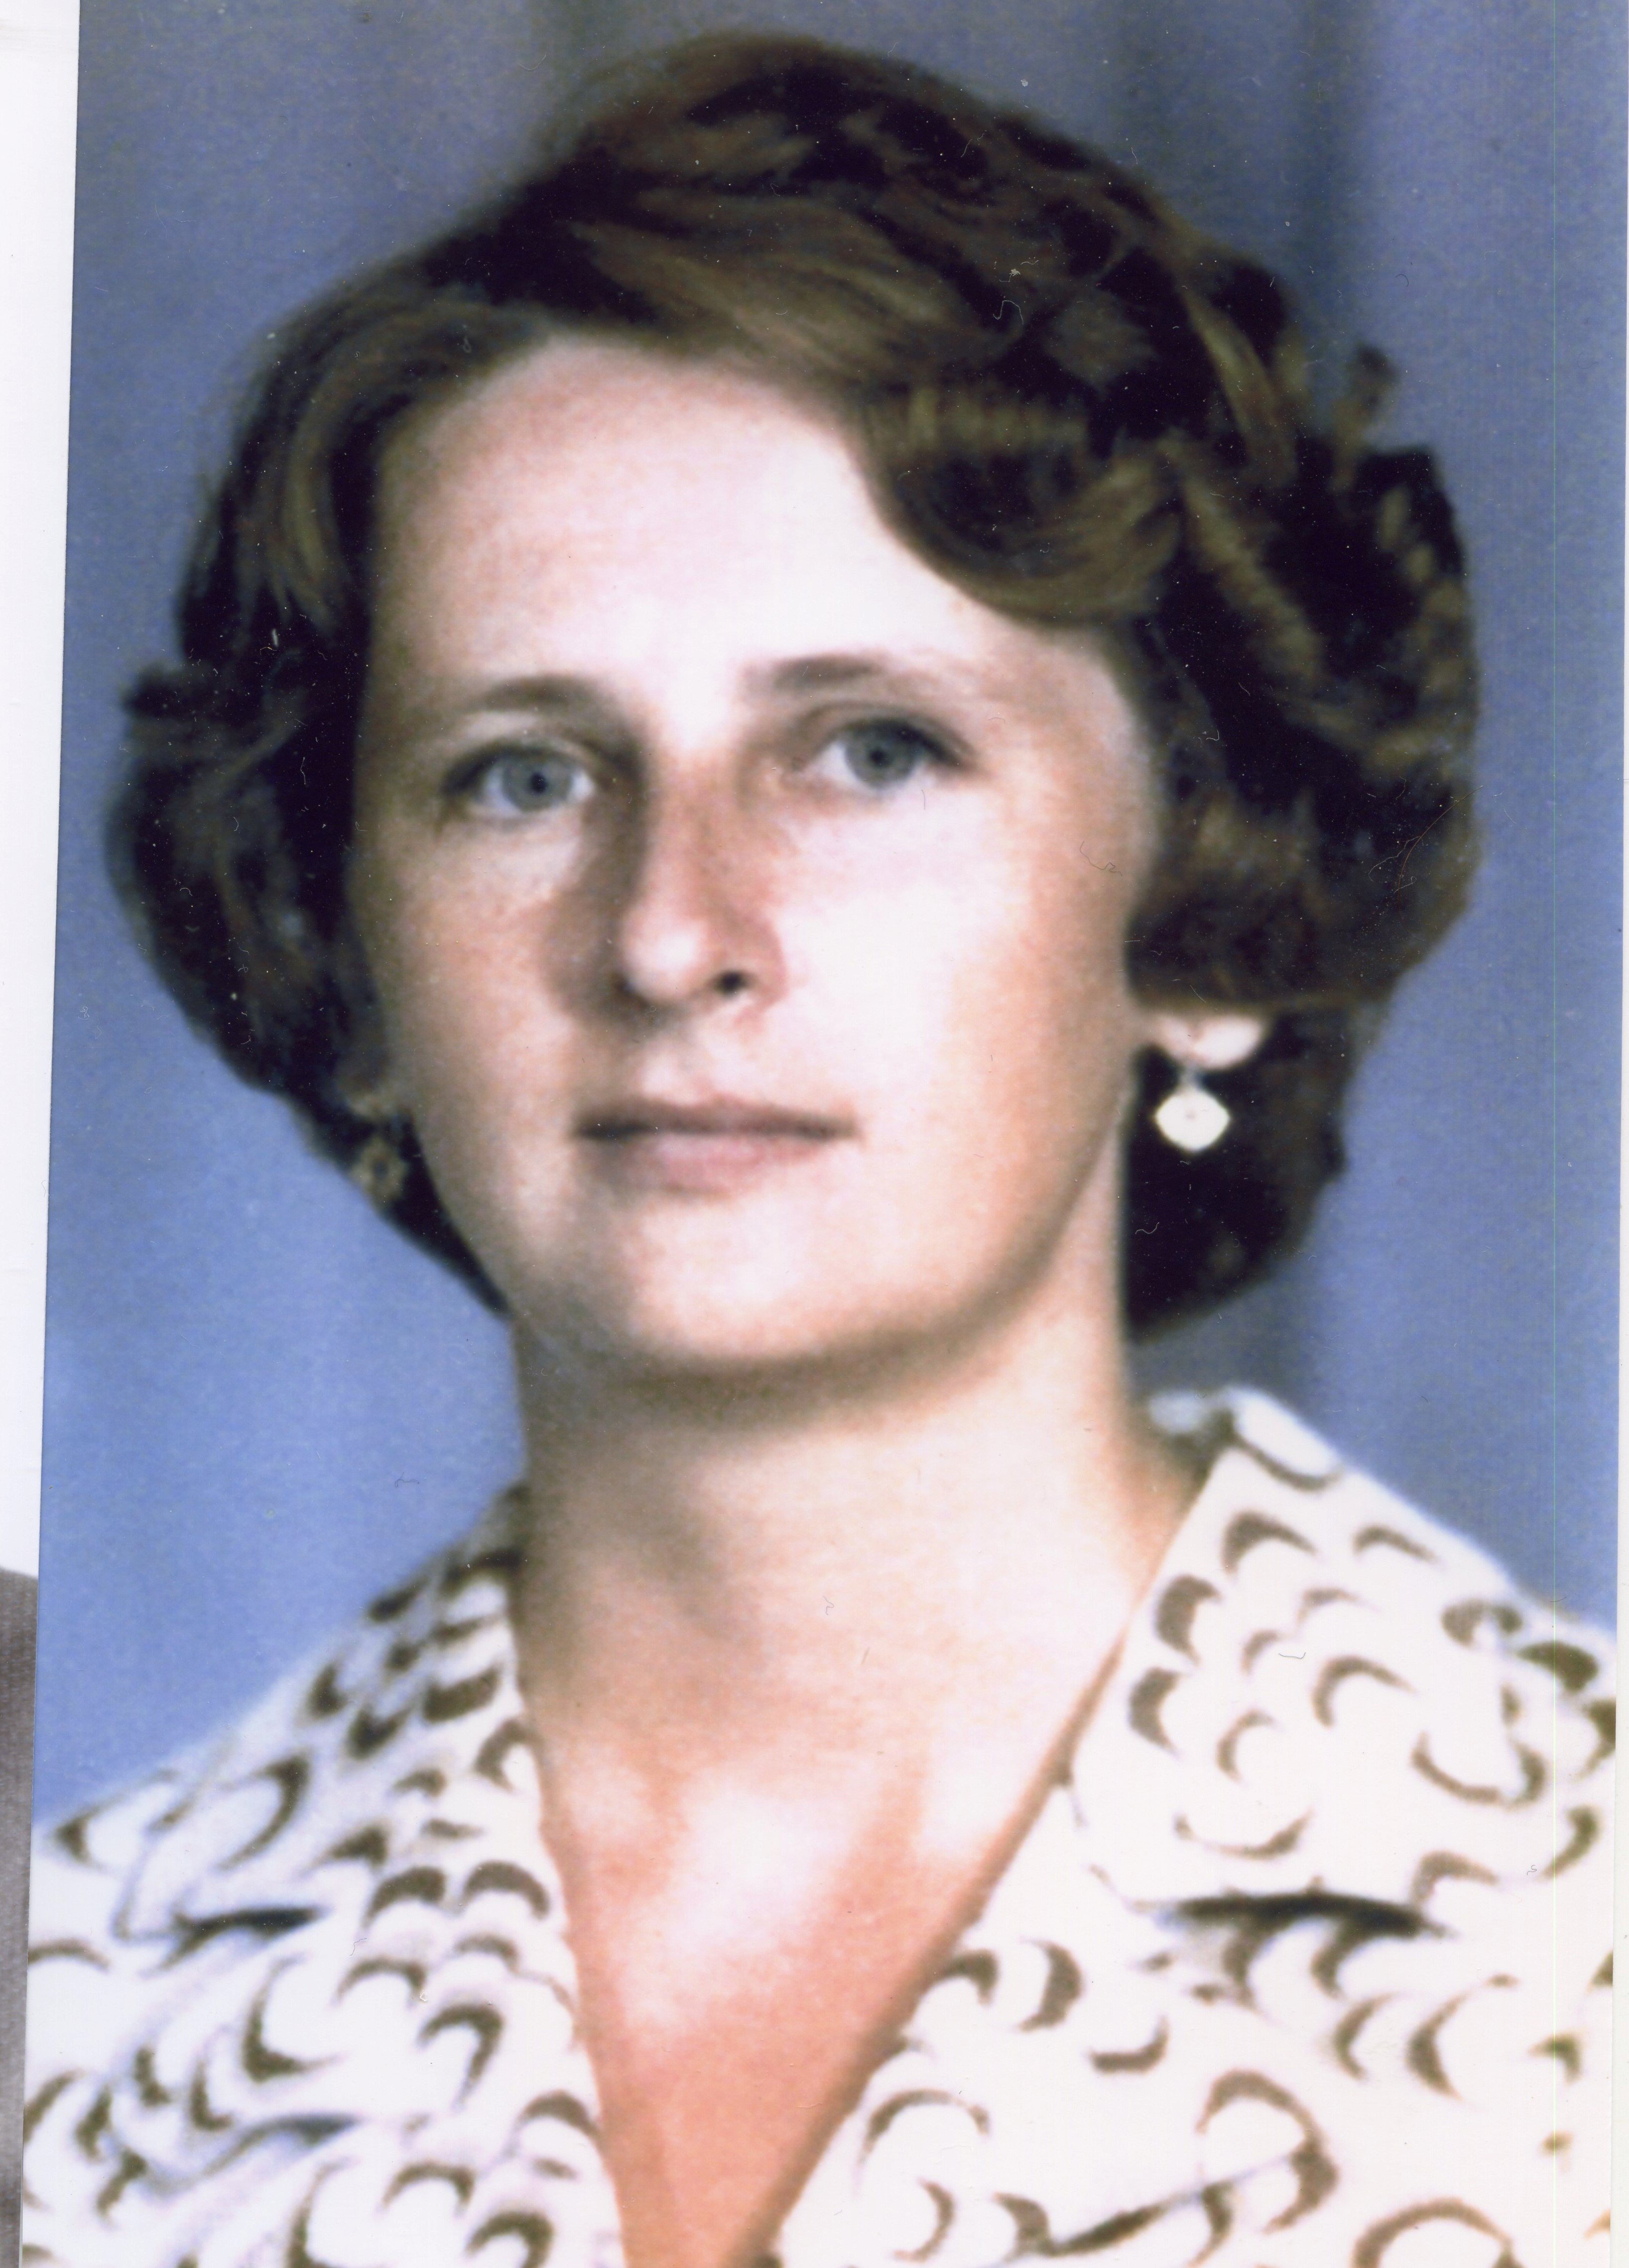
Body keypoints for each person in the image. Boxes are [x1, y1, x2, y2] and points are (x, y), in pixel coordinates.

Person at [24, 34, 1610, 2268]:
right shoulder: (81, 2002)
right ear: (356, 964)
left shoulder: (1574, 1897)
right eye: (520, 775)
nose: (671, 932)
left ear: (1209, 911)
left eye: (869, 751)